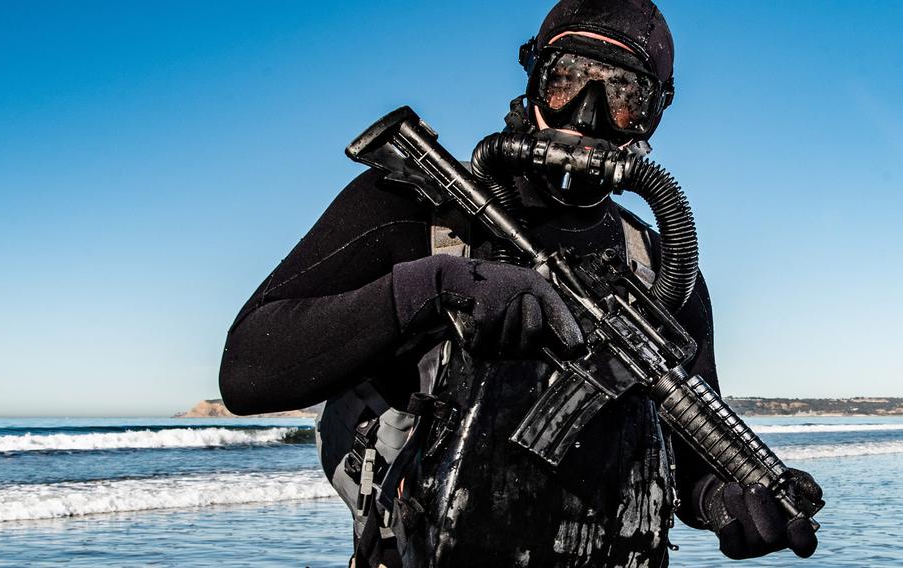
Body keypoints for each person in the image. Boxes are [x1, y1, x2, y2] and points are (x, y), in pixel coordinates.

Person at [219, 1, 822, 566]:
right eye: (567, 81)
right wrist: (436, 288)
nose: (586, 115)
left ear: (652, 116)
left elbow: (686, 446)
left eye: (622, 96)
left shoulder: (658, 262)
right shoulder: (415, 212)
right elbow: (248, 372)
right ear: (533, 81)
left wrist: (725, 502)